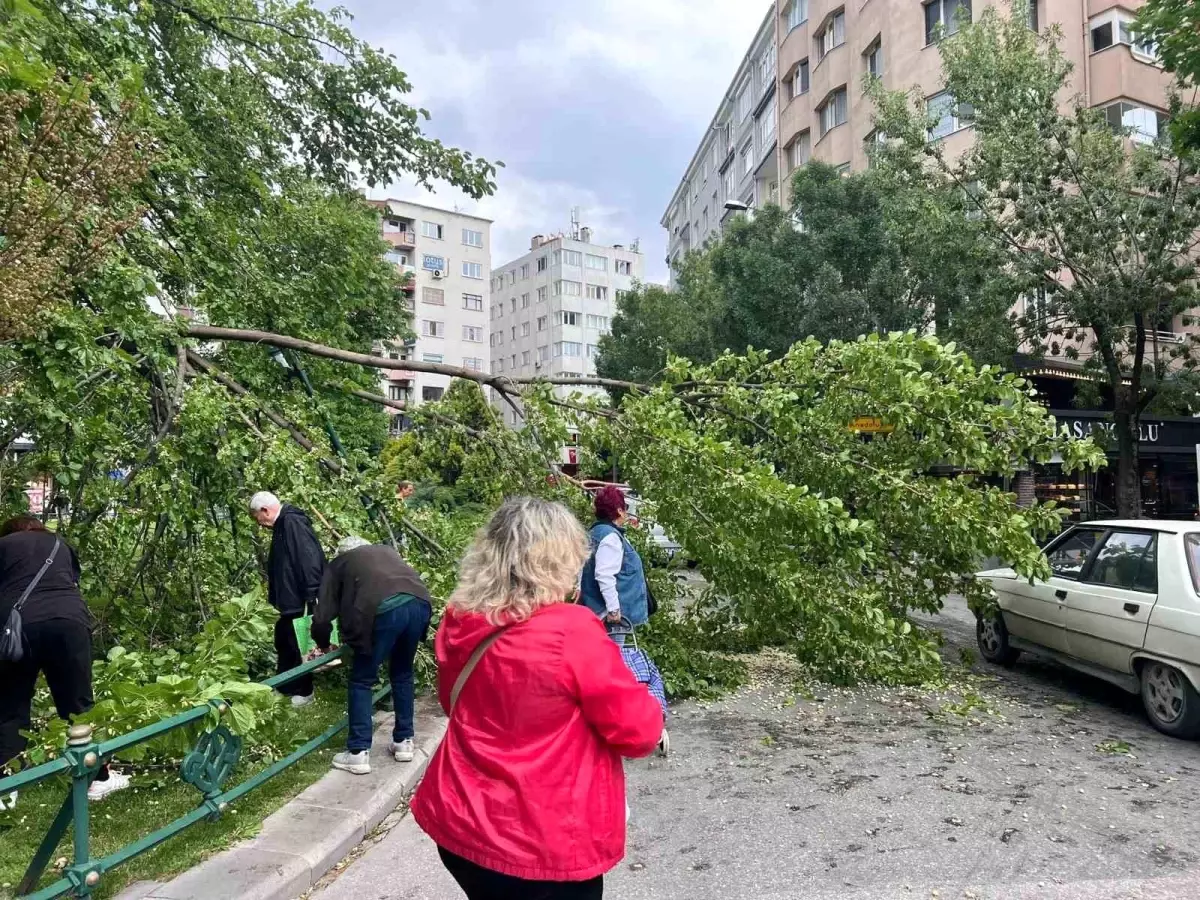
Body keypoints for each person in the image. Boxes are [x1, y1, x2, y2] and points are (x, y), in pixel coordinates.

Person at [411, 497, 664, 900]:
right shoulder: (571, 631)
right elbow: (639, 733)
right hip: (541, 843)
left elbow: (453, 702)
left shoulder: (461, 618)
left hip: (462, 821)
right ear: (558, 563)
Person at [0, 516, 130, 803]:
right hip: (68, 622)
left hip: (18, 628)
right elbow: (71, 580)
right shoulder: (60, 544)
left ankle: (7, 789)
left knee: (11, 706)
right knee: (77, 703)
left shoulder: (3, 546)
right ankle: (96, 778)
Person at [310, 535, 432, 775]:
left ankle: (358, 752)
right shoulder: (386, 552)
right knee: (402, 673)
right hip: (419, 603)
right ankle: (404, 741)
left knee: (362, 680)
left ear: (342, 553)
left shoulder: (340, 563)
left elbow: (322, 615)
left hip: (384, 610)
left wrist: (322, 644)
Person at [250, 492, 326, 707]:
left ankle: (304, 690)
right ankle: (285, 686)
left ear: (265, 510)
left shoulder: (292, 522)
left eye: (258, 518)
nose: (261, 524)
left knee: (297, 644)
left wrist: (313, 592)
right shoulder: (284, 524)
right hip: (289, 599)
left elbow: (308, 557)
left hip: (299, 598)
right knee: (284, 641)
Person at [579, 486, 649, 627]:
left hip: (594, 610)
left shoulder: (593, 532)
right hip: (609, 616)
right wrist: (613, 610)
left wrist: (577, 587)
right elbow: (604, 575)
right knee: (613, 648)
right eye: (625, 508)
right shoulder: (610, 537)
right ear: (619, 511)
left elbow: (581, 566)